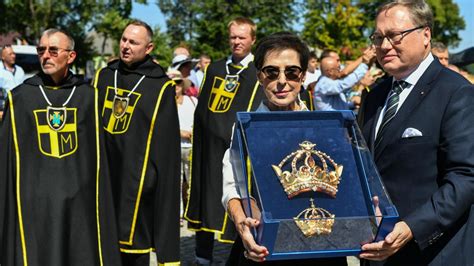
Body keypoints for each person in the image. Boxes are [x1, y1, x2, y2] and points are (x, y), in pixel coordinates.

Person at [358, 1, 474, 265]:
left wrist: (412, 227)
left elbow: (466, 177)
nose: (384, 45)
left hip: (433, 252)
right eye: (378, 37)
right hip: (376, 252)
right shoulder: (375, 95)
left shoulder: (456, 93)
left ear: (425, 35)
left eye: (395, 35)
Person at [222, 32, 347, 266]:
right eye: (271, 72)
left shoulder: (324, 128)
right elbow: (231, 183)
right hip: (265, 246)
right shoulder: (245, 127)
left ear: (302, 76)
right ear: (259, 75)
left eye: (291, 72)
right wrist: (242, 218)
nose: (282, 81)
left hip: (320, 247)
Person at [0, 28, 121, 266]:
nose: (46, 55)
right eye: (41, 50)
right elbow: (6, 162)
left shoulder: (89, 97)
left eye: (53, 50)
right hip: (35, 207)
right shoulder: (21, 98)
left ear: (71, 56)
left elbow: (101, 158)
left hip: (80, 206)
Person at [93, 20, 180, 266]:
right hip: (105, 176)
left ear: (149, 47)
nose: (126, 46)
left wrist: (154, 180)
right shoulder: (104, 76)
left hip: (137, 181)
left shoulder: (160, 86)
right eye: (123, 40)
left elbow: (166, 148)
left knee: (134, 250)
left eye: (133, 42)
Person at [184, 17, 265, 265]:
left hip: (238, 146)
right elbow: (203, 111)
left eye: (242, 37)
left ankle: (242, 252)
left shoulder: (258, 71)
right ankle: (202, 255)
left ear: (252, 39)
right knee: (204, 196)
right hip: (209, 148)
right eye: (233, 37)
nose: (237, 41)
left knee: (239, 197)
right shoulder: (215, 68)